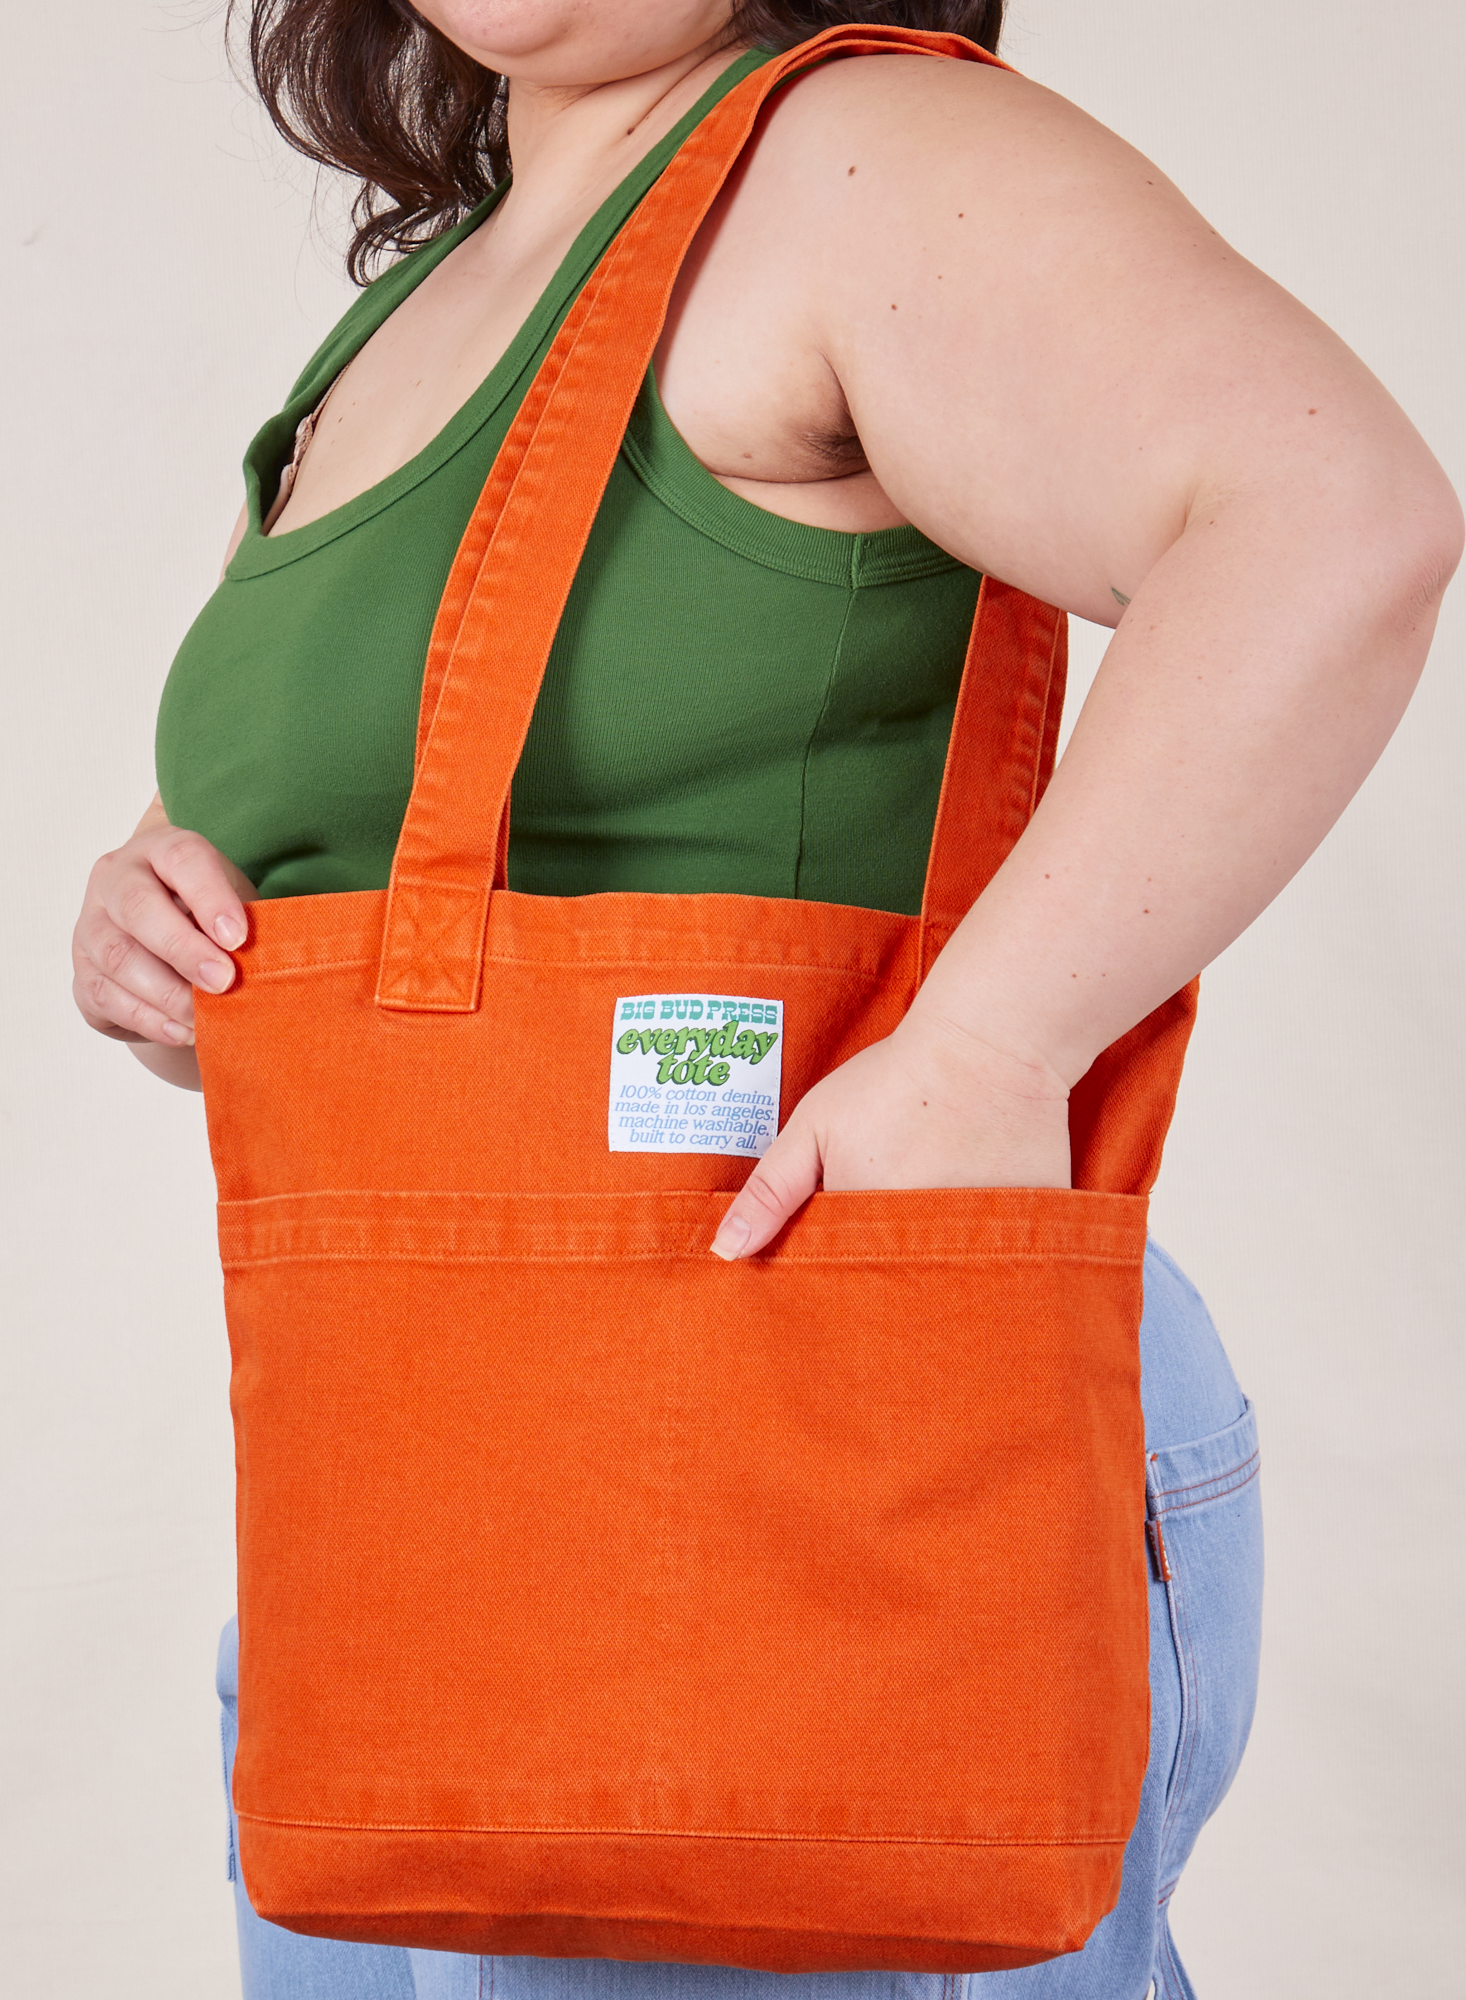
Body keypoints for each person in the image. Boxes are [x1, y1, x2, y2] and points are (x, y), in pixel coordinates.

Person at [70, 3, 1460, 1996]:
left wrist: (985, 1051)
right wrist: (161, 939)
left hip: (791, 1433)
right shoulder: (422, 304)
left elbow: (1333, 518)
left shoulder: (855, 155)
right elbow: (362, 831)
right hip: (414, 1496)